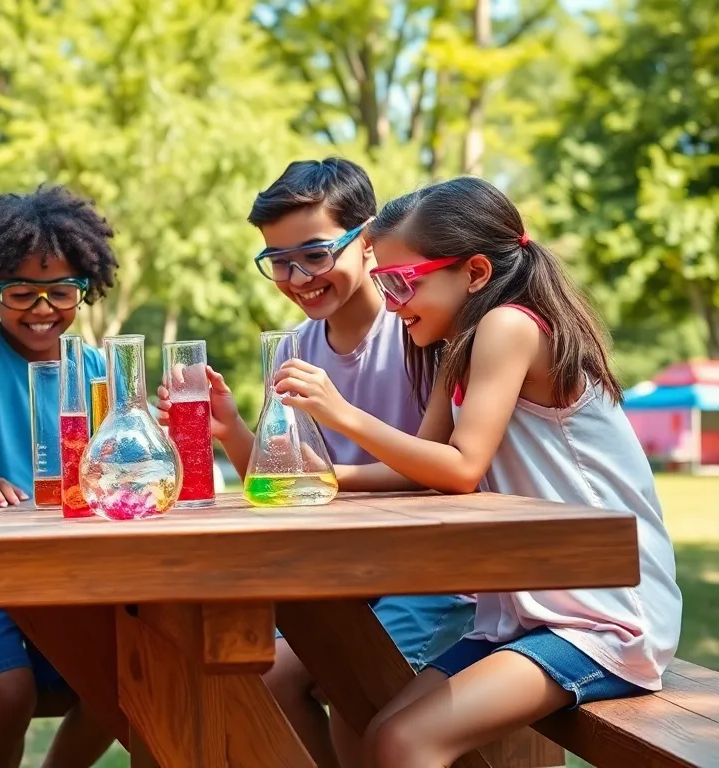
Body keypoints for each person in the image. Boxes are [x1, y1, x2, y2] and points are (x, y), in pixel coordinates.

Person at [272, 176, 682, 767]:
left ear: (476, 272)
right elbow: (426, 467)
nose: (391, 303)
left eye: (401, 282)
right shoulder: (458, 347)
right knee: (378, 723)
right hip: (529, 614)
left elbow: (462, 469)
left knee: (402, 740)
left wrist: (342, 414)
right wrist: (330, 475)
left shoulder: (509, 326)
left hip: (606, 617)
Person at [158, 157, 475, 768]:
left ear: (370, 241)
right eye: (279, 261)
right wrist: (230, 432)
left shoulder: (419, 329)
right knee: (263, 683)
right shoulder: (299, 346)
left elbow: (444, 471)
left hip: (435, 580)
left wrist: (333, 431)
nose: (297, 276)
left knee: (355, 697)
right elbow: (290, 480)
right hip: (345, 578)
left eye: (315, 253)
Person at [0, 184, 119, 768]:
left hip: (61, 569)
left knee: (114, 691)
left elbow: (111, 460)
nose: (43, 310)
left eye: (61, 292)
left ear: (84, 290)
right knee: (9, 694)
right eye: (23, 293)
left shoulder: (92, 367)